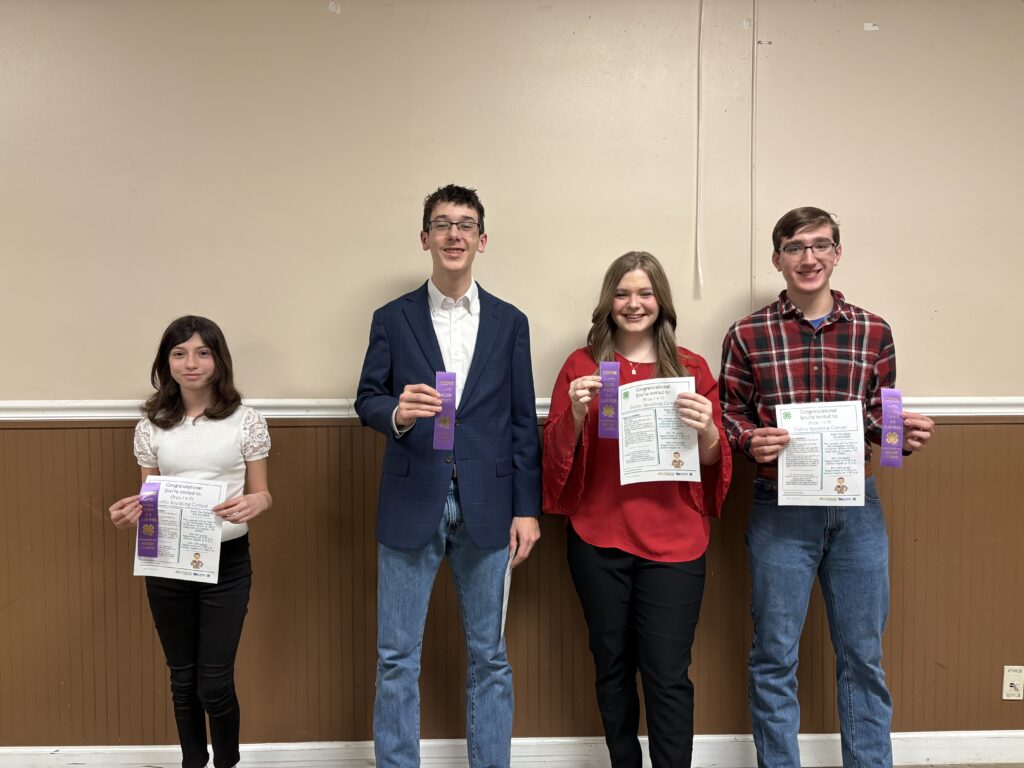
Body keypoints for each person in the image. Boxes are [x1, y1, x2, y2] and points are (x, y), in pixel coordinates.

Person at [718, 207, 935, 767]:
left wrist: (900, 433)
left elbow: (876, 417)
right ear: (777, 259)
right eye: (795, 247)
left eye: (820, 245)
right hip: (779, 510)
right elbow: (729, 412)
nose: (808, 258)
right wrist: (749, 441)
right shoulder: (747, 333)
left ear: (837, 254)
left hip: (856, 507)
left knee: (863, 656)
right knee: (773, 656)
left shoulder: (874, 330)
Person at [354, 184, 542, 768]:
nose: (453, 234)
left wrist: (527, 508)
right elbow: (366, 399)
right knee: (395, 657)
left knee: (490, 656)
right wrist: (396, 414)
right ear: (425, 239)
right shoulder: (392, 318)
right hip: (412, 502)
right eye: (442, 224)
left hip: (490, 507)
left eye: (465, 225)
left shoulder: (511, 322)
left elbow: (520, 422)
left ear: (481, 240)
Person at [543, 251, 731, 768]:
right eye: (623, 293)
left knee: (668, 672)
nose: (633, 303)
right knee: (611, 667)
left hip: (675, 543)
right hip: (598, 539)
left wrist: (709, 429)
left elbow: (715, 458)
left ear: (661, 302)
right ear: (609, 302)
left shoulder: (690, 368)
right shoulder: (581, 367)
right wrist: (577, 415)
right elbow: (556, 455)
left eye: (645, 293)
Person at [108, 316, 272, 768]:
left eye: (202, 352)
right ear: (166, 363)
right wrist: (131, 515)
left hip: (227, 561)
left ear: (219, 359)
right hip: (167, 562)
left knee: (213, 682)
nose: (191, 363)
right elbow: (150, 496)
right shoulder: (152, 425)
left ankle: (226, 762)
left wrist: (257, 504)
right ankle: (192, 763)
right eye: (179, 353)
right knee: (183, 679)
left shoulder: (246, 421)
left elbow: (262, 492)